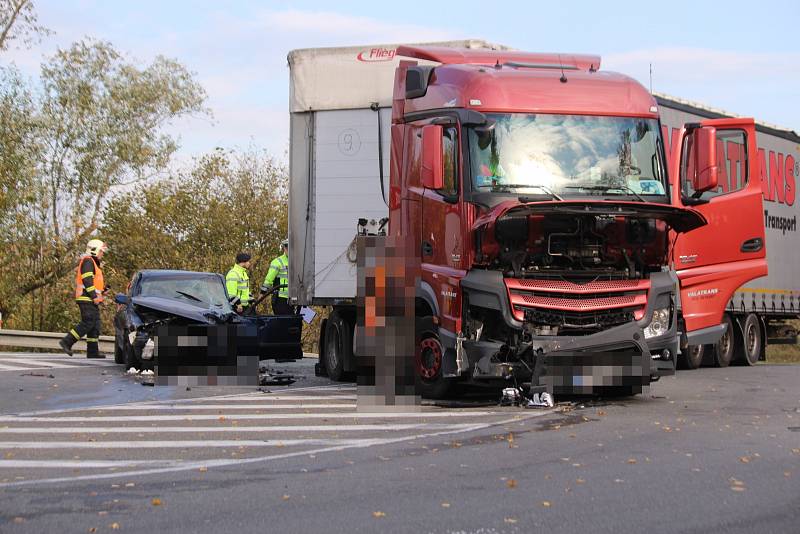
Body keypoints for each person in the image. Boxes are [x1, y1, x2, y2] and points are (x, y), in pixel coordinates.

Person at [59, 239, 108, 358]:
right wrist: (94, 296)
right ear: (94, 250)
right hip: (86, 298)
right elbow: (87, 280)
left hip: (90, 298)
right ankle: (67, 341)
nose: (102, 254)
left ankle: (92, 352)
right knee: (88, 322)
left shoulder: (93, 263)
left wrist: (103, 291)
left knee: (95, 326)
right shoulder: (88, 261)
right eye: (101, 251)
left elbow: (93, 283)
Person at [261, 239, 292, 315]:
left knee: (295, 323)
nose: (289, 250)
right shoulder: (277, 262)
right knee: (283, 323)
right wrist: (262, 293)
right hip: (281, 299)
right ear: (284, 248)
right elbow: (269, 280)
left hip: (295, 299)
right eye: (287, 247)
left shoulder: (299, 261)